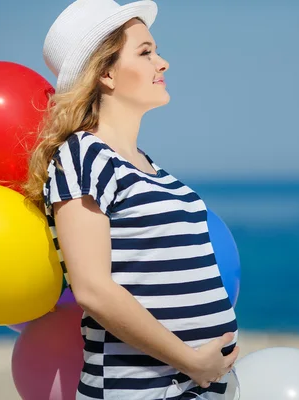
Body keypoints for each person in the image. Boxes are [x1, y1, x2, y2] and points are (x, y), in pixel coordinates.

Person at [22, 1, 240, 399]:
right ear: (105, 73)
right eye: (146, 52)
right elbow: (92, 289)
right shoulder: (82, 155)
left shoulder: (146, 165)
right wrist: (190, 360)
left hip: (195, 386)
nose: (164, 63)